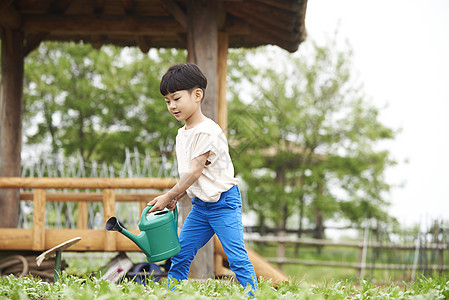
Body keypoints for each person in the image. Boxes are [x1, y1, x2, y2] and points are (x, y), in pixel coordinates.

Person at [147, 63, 257, 293]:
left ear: (197, 95)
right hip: (200, 208)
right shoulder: (182, 134)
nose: (172, 105)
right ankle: (173, 294)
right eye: (167, 101)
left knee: (236, 258)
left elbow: (195, 171)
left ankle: (251, 295)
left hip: (224, 204)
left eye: (176, 98)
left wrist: (169, 194)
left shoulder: (207, 130)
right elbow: (195, 176)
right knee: (180, 255)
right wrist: (180, 196)